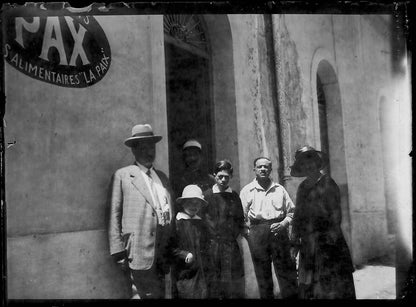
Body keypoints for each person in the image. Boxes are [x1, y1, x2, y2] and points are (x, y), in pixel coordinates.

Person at [108, 124, 173, 299]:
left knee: (160, 293)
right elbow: (114, 214)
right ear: (134, 151)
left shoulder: (162, 177)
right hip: (137, 249)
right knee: (139, 294)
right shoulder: (123, 176)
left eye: (151, 146)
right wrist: (117, 250)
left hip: (162, 250)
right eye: (143, 147)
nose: (149, 151)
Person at [290, 145, 356, 299]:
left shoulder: (327, 183)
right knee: (310, 284)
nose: (308, 166)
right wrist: (294, 241)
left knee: (331, 283)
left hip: (328, 242)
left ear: (316, 163)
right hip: (308, 243)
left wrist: (330, 238)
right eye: (304, 164)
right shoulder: (302, 188)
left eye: (311, 162)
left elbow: (335, 214)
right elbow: (298, 215)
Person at [240, 157, 298, 299]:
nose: (263, 169)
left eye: (266, 167)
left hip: (279, 231)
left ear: (271, 170)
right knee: (263, 275)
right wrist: (249, 235)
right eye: (259, 167)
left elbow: (292, 211)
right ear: (254, 169)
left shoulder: (279, 189)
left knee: (286, 273)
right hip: (257, 232)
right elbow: (240, 217)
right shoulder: (247, 191)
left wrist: (284, 224)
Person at [203, 160, 246, 298]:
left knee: (230, 284)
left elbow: (240, 220)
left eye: (226, 177)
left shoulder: (234, 196)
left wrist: (231, 236)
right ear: (214, 175)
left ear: (230, 177)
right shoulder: (207, 195)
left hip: (230, 246)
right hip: (212, 246)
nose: (223, 180)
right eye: (220, 176)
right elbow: (203, 219)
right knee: (213, 284)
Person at [167, 185, 213, 299]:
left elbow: (206, 244)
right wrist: (184, 254)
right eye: (190, 203)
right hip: (184, 271)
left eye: (197, 203)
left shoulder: (201, 223)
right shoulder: (177, 222)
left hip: (200, 270)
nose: (194, 206)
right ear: (183, 203)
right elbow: (169, 248)